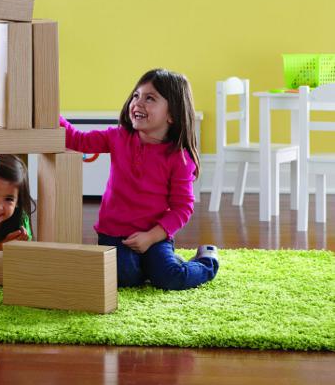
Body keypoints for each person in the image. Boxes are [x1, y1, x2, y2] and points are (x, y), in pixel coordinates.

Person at [60, 68, 219, 290]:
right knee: (124, 278)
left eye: (150, 98)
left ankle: (207, 260)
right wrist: (50, 111)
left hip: (153, 236)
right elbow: (78, 140)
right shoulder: (116, 137)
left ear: (172, 114)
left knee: (171, 278)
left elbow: (182, 208)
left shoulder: (179, 158)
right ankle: (153, 266)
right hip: (114, 234)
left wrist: (152, 237)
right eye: (136, 95)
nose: (138, 103)